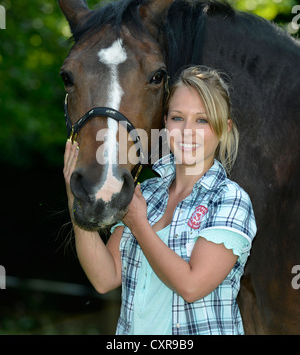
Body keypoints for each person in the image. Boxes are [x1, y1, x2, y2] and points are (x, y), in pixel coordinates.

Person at [63, 65, 257, 335]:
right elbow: (104, 278)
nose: (187, 130)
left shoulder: (230, 199)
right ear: (165, 123)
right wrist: (76, 196)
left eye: (202, 120)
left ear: (223, 129)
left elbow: (191, 286)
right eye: (178, 117)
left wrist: (140, 225)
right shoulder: (146, 192)